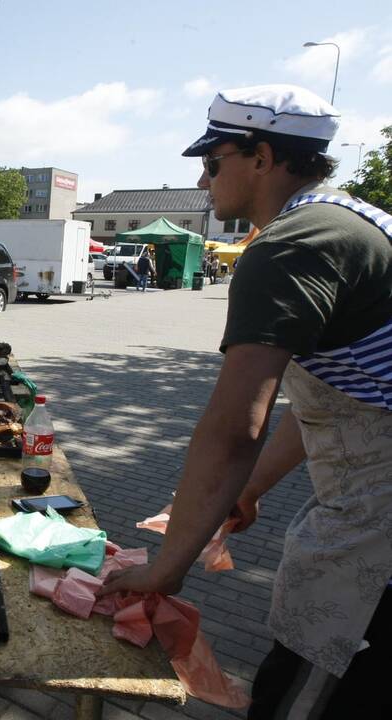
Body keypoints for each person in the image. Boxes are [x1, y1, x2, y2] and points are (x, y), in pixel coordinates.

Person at [100, 85, 392, 718]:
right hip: (368, 507)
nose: (203, 180)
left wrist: (165, 569)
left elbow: (234, 426)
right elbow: (338, 396)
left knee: (304, 699)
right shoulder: (349, 217)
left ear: (262, 158)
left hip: (378, 544)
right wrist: (250, 488)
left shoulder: (291, 246)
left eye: (212, 162)